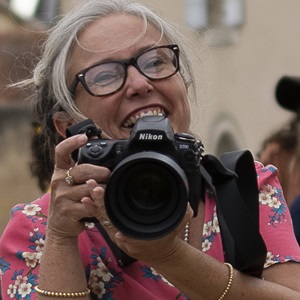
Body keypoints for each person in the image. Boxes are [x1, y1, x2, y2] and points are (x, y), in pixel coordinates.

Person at [1, 0, 300, 299]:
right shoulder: (42, 228)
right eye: (105, 76)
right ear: (68, 126)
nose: (140, 83)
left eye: (156, 62)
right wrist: (62, 239)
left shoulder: (246, 188)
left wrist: (170, 255)